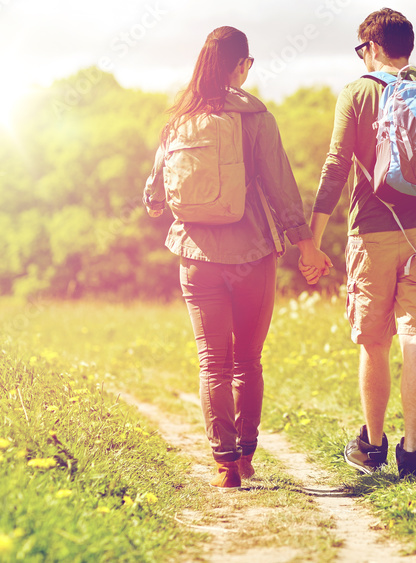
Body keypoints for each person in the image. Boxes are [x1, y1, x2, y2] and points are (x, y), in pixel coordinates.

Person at [144, 26, 332, 490]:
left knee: (212, 362)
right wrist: (306, 244)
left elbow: (153, 194)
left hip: (195, 256)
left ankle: (224, 464)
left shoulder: (178, 119)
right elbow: (281, 187)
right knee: (247, 360)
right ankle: (246, 454)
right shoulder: (257, 118)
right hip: (251, 253)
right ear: (243, 66)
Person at [305, 8, 416, 478]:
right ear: (408, 48)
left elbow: (336, 166)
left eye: (362, 49)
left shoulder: (358, 91)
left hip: (372, 233)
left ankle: (372, 447)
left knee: (374, 342)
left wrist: (311, 243)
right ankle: (413, 453)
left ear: (372, 48)